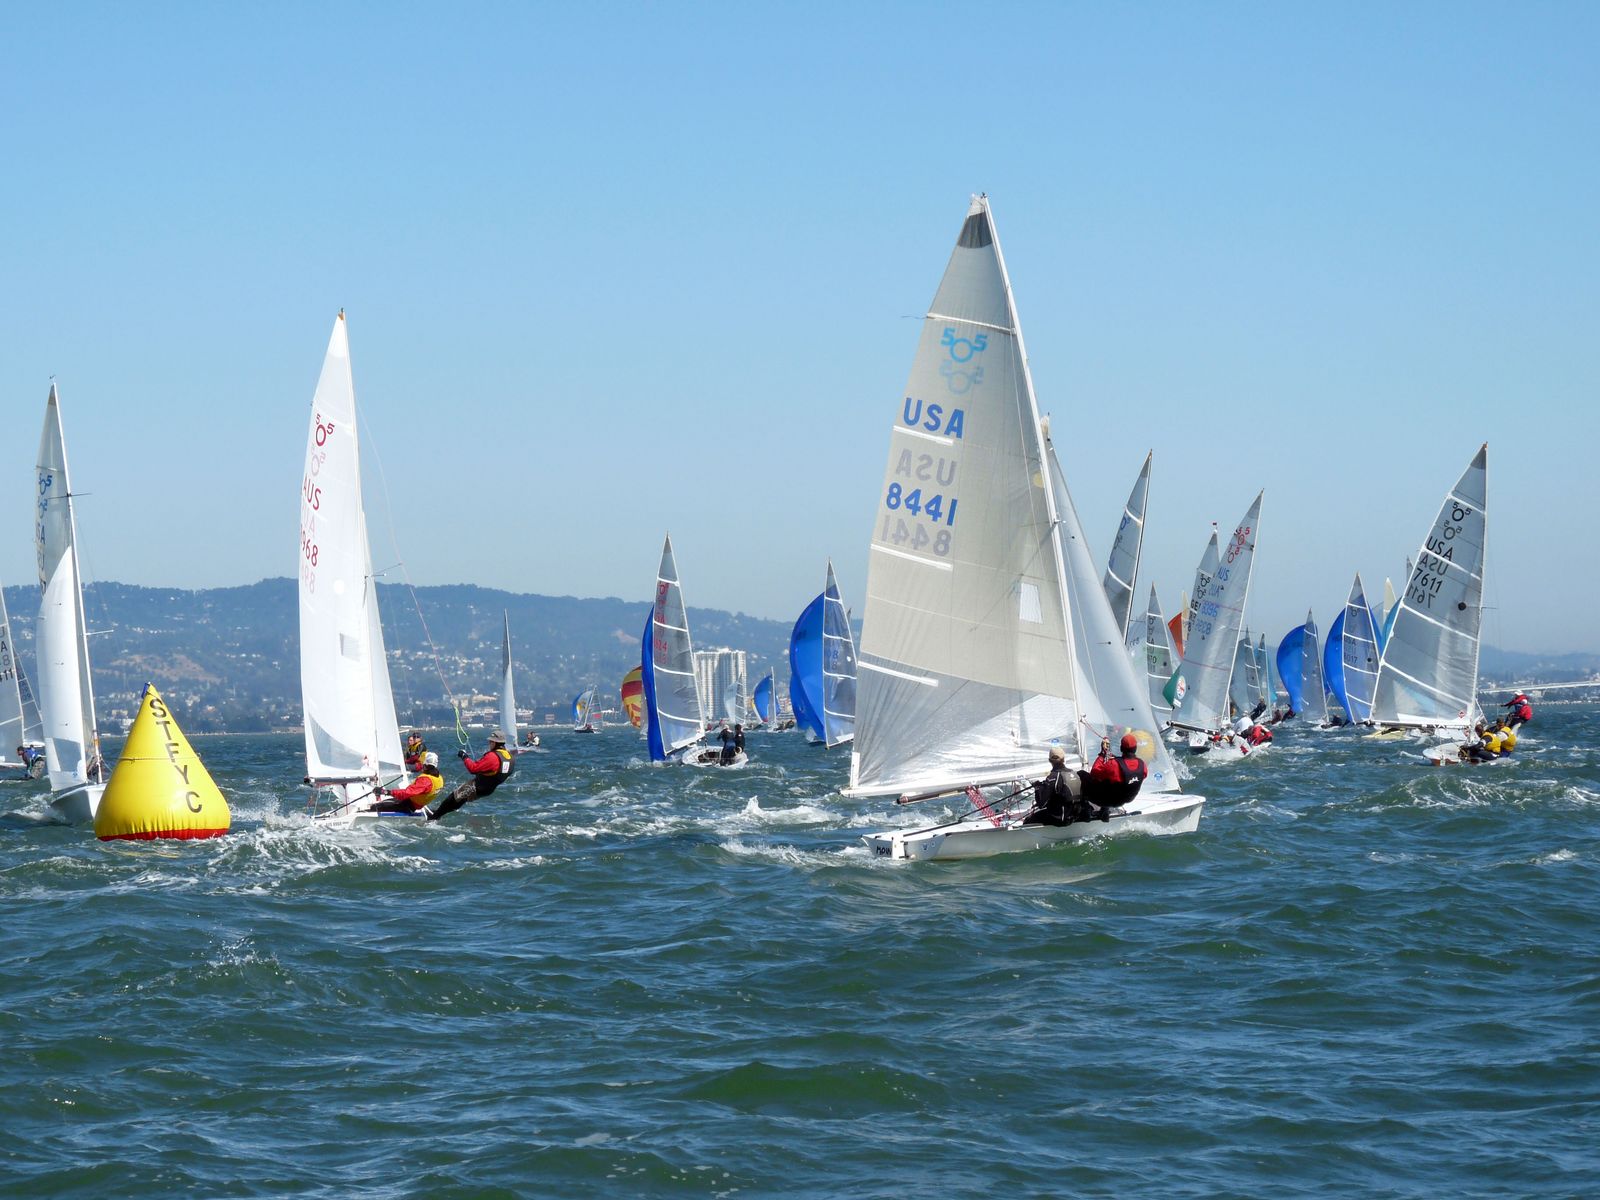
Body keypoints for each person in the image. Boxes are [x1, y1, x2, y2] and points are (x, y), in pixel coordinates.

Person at [426, 731, 516, 822]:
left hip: (478, 786)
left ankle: (434, 817)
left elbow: (473, 769)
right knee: (460, 800)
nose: (489, 743)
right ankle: (438, 814)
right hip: (489, 789)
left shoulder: (493, 757)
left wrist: (464, 756)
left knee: (453, 797)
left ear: (494, 743)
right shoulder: (509, 756)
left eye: (490, 742)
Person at [1083, 733, 1148, 817]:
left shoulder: (1114, 765)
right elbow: (1130, 773)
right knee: (1111, 783)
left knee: (1082, 774)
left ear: (1121, 748)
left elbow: (1094, 774)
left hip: (1106, 800)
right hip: (1126, 800)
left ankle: (1084, 809)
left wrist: (1102, 755)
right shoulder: (1142, 765)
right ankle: (1104, 811)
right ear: (1135, 749)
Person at [364, 752, 445, 815]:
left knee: (374, 807)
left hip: (407, 806)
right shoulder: (439, 778)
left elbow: (406, 793)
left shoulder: (426, 781)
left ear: (425, 765)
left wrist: (385, 792)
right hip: (409, 804)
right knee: (381, 803)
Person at [1023, 746, 1084, 825]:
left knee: (1028, 820)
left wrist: (1038, 788)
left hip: (1060, 819)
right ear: (1063, 759)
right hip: (1075, 816)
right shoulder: (1074, 774)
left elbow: (1041, 804)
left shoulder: (1053, 777)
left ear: (1049, 760)